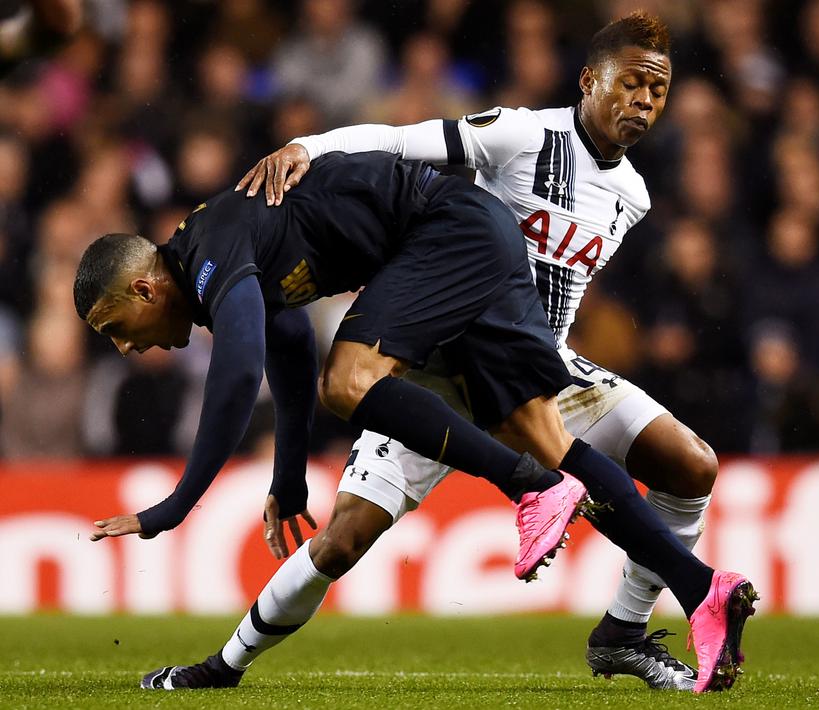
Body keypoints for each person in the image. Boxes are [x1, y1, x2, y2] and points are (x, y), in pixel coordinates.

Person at [74, 151, 756, 694]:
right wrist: (287, 478)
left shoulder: (210, 255)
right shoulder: (230, 251)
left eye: (116, 328)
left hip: (446, 239)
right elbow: (284, 345)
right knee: (543, 442)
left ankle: (530, 488)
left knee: (349, 381)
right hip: (457, 262)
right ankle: (701, 588)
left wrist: (174, 507)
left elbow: (238, 373)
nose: (127, 349)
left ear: (143, 288)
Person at [231, 12, 720, 690]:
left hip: (538, 370)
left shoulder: (631, 195)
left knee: (691, 466)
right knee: (341, 539)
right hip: (439, 365)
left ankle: (623, 634)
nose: (643, 100)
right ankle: (222, 666)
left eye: (656, 92)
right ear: (589, 80)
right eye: (631, 83)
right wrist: (310, 145)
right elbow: (402, 141)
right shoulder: (523, 134)